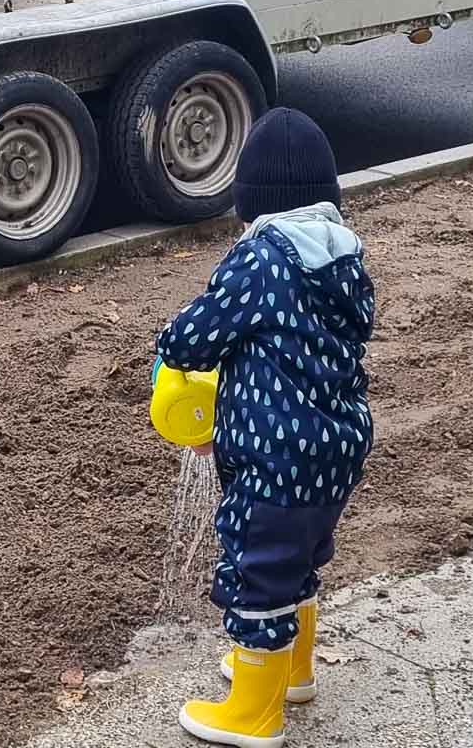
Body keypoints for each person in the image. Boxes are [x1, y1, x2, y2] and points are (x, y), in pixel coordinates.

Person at [153, 107, 376, 748]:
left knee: (258, 571)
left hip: (276, 455)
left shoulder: (261, 260)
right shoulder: (345, 257)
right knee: (300, 560)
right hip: (338, 448)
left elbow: (196, 336)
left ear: (253, 202)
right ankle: (292, 671)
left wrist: (171, 351)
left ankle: (253, 711)